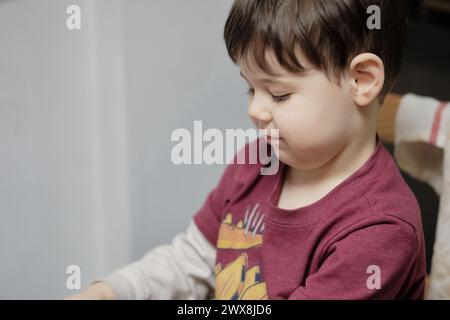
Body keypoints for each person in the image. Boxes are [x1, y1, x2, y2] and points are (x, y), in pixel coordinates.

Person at [68, 0, 426, 300]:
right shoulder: (258, 162)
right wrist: (113, 291)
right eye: (250, 89)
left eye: (279, 94)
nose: (254, 110)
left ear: (361, 80)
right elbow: (192, 261)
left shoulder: (379, 231)